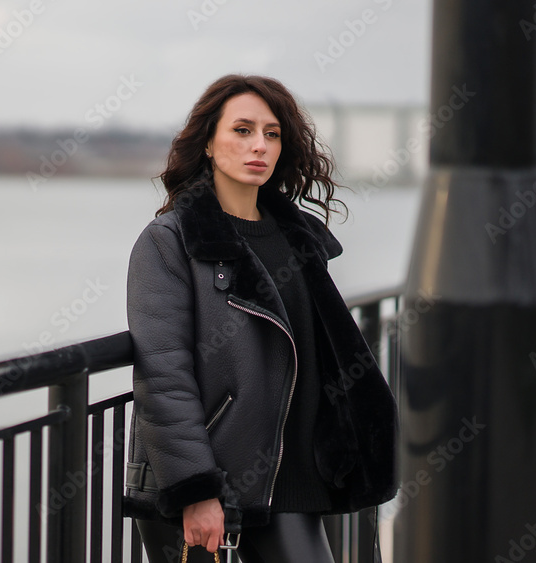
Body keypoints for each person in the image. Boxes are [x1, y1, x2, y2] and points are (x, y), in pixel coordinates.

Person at [123, 74, 399, 562]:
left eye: (272, 134)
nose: (260, 146)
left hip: (295, 475)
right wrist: (194, 488)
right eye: (242, 130)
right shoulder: (171, 240)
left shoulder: (298, 238)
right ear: (208, 142)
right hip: (216, 480)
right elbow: (164, 378)